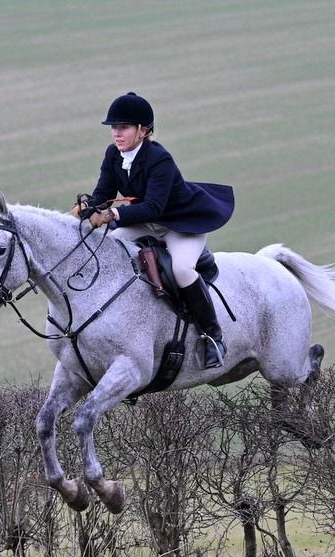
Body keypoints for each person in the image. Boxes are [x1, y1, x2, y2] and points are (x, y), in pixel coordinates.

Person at [73, 92, 235, 368]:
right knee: (108, 249)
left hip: (180, 224)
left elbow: (154, 208)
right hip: (142, 223)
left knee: (183, 270)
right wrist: (89, 204)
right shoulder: (113, 154)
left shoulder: (159, 159)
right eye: (114, 127)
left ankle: (213, 337)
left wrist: (112, 214)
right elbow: (104, 193)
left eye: (123, 127)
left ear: (143, 130)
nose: (116, 133)